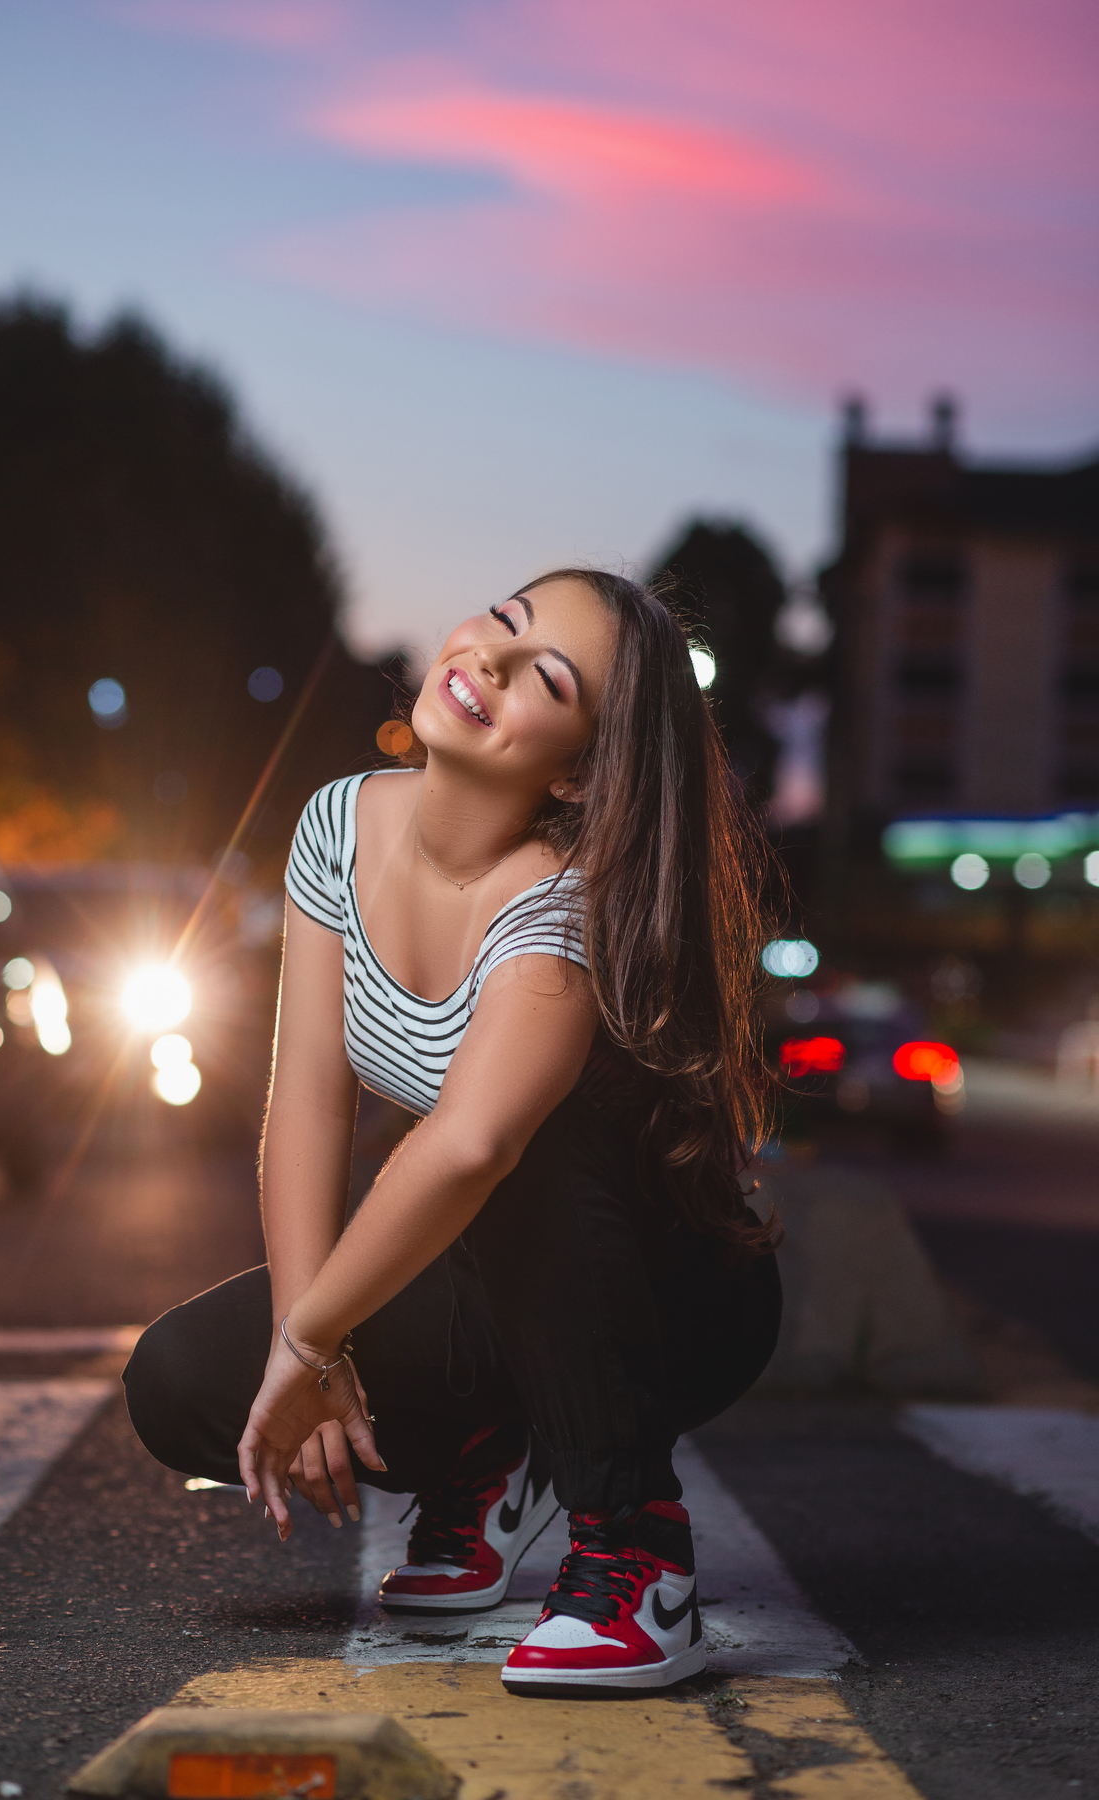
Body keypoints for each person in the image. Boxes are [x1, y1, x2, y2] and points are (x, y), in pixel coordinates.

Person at [124, 569, 782, 1694]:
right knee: (179, 1377)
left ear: (577, 769)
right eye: (506, 624)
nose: (491, 660)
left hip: (671, 1300)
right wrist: (302, 1337)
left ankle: (636, 1552)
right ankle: (496, 1457)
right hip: (500, 1283)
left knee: (516, 1143)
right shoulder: (336, 823)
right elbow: (311, 1102)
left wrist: (316, 1341)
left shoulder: (561, 901)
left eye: (547, 679)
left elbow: (473, 1144)